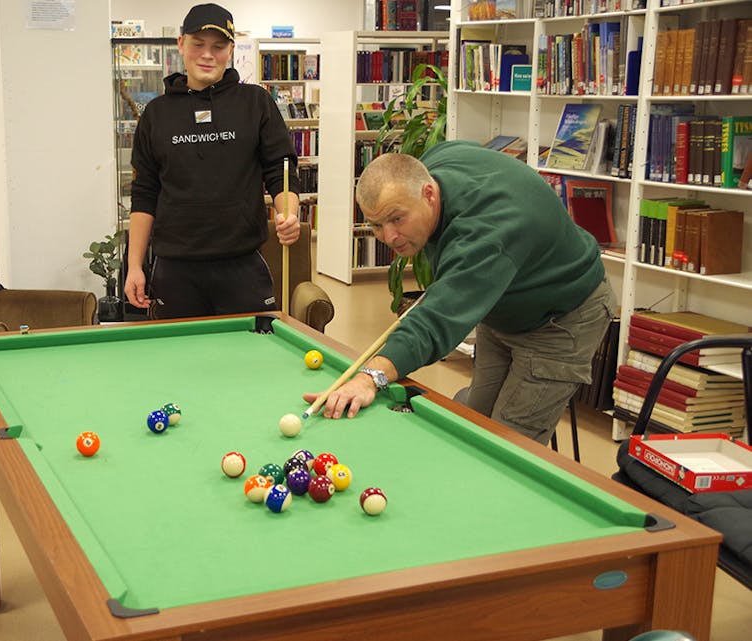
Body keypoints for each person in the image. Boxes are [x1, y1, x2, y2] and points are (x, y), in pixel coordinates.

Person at [304, 142, 617, 445]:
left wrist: (370, 377)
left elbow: (437, 320)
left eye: (397, 218)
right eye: (376, 225)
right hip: (503, 309)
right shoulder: (436, 164)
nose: (388, 236)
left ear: (428, 194)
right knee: (474, 421)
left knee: (504, 446)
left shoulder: (486, 235)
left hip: (562, 319)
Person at [124, 3, 301, 319]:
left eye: (218, 47)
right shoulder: (156, 114)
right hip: (174, 270)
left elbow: (281, 170)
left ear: (231, 50)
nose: (208, 55)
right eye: (198, 45)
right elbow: (145, 193)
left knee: (249, 363)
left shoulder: (256, 103)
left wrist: (288, 213)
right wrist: (134, 265)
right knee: (177, 363)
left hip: (242, 266)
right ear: (181, 44)